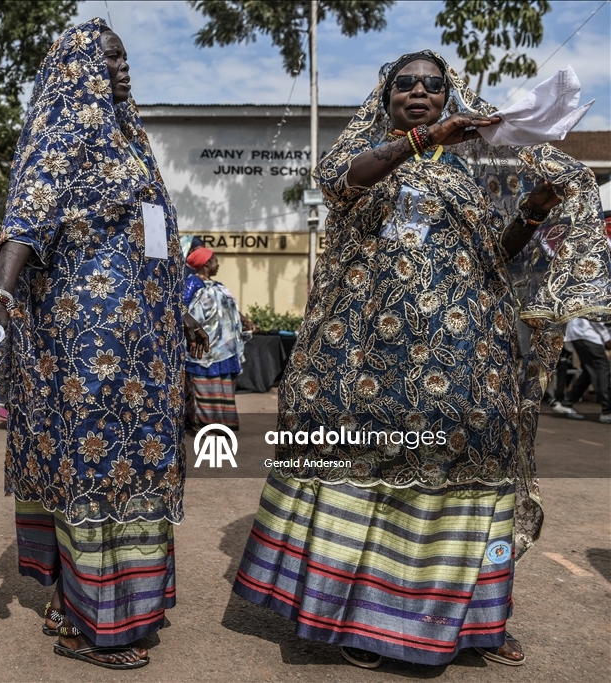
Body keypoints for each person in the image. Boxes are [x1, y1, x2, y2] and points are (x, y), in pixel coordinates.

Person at [231, 51, 611, 670]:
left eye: (434, 86)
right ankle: (359, 623)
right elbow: (338, 183)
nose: (419, 92)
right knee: (372, 470)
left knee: (469, 476)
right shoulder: (366, 158)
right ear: (385, 95)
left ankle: (471, 625)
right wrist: (424, 139)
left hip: (464, 364)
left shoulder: (465, 176)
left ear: (448, 94)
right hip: (368, 367)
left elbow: (499, 256)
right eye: (404, 84)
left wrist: (537, 206)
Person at [0, 18, 208, 670]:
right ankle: (87, 624)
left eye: (124, 59)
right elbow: (25, 221)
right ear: (76, 73)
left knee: (140, 473)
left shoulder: (133, 142)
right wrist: (1, 293)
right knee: (93, 473)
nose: (121, 70)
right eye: (107, 61)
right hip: (86, 351)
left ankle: (92, 604)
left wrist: (178, 315)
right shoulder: (61, 139)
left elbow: (152, 245)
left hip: (149, 353)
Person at [182, 247, 252, 429]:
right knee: (205, 384)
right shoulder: (192, 284)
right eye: (215, 261)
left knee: (224, 383)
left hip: (226, 348)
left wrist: (244, 320)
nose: (218, 264)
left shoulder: (219, 286)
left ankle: (224, 423)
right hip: (206, 347)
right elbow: (182, 310)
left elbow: (230, 308)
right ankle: (206, 424)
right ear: (206, 263)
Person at [558, 318, 611, 423]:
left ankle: (567, 403)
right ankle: (607, 411)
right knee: (602, 368)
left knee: (589, 371)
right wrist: (606, 338)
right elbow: (595, 316)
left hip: (579, 333)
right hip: (587, 333)